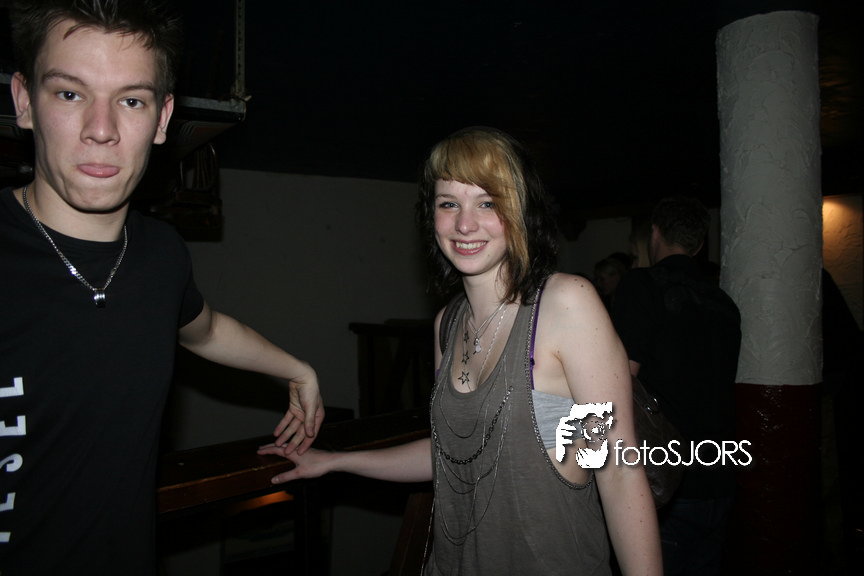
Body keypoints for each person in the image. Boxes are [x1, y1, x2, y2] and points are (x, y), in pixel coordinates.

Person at [0, 1, 324, 574]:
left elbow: (206, 330)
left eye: (131, 100)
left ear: (163, 118)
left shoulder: (161, 254)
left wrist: (296, 370)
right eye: (70, 94)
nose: (102, 130)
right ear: (24, 101)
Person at [260, 127, 661, 575]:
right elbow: (451, 453)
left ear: (520, 210)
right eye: (448, 203)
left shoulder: (566, 303)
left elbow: (620, 471)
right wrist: (336, 461)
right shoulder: (447, 323)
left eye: (487, 203)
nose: (464, 224)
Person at [611, 196, 741, 575]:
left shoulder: (642, 285)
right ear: (698, 245)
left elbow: (621, 382)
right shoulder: (725, 303)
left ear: (654, 233)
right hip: (721, 476)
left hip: (668, 480)